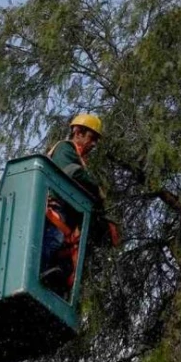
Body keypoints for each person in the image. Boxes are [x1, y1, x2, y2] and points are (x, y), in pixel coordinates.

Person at [40, 113, 116, 293]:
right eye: (92, 137)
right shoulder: (65, 149)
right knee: (53, 241)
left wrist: (105, 222)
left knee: (62, 254)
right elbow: (72, 174)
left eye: (97, 139)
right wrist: (97, 190)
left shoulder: (79, 160)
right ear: (78, 131)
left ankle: (54, 285)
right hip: (54, 209)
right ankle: (39, 273)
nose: (94, 144)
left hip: (66, 221)